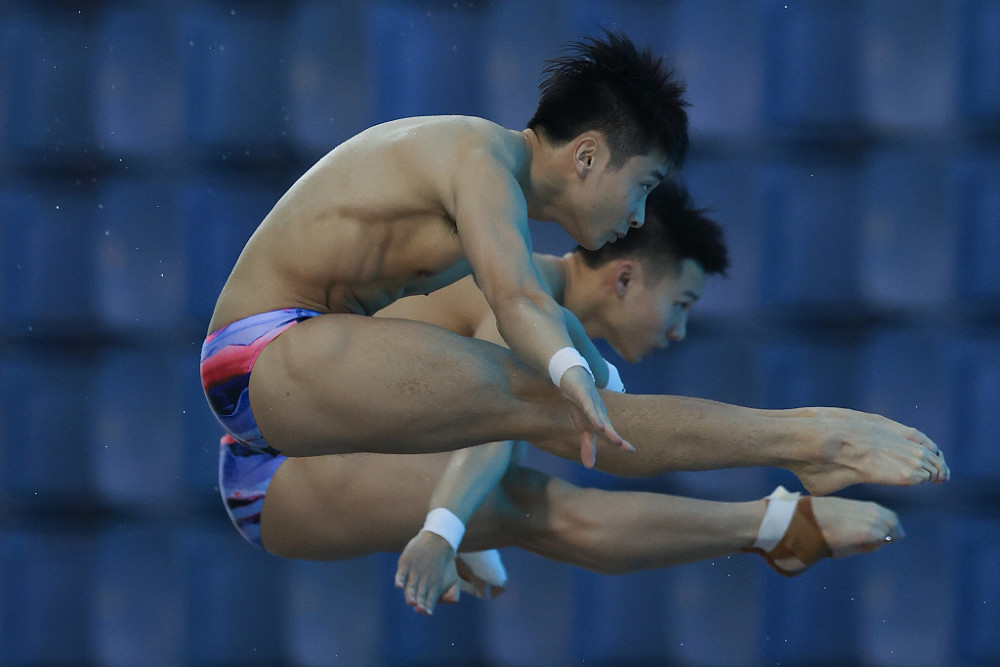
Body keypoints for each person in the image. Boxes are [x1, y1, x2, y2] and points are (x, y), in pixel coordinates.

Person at [201, 31, 946, 523]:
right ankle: (812, 441)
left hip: (285, 367)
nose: (639, 212)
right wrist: (569, 381)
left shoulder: (505, 209)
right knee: (547, 410)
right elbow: (518, 302)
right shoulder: (478, 160)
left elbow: (581, 369)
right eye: (644, 184)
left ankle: (798, 463)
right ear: (586, 157)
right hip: (261, 353)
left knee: (570, 420)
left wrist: (600, 388)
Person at [219, 183, 905, 617]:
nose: (679, 330)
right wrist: (446, 526)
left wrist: (448, 514)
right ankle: (785, 513)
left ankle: (785, 507)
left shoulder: (552, 320)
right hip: (269, 472)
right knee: (541, 505)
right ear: (626, 278)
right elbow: (487, 425)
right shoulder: (525, 297)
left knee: (553, 457)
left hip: (312, 441)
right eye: (682, 304)